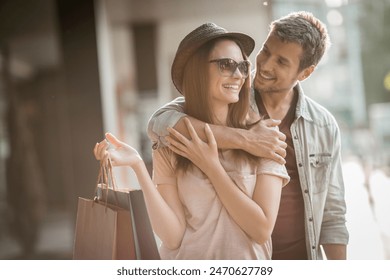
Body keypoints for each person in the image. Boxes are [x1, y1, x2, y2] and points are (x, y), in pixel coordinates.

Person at [147, 12, 349, 260]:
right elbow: (160, 122)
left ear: (305, 73)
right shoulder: (228, 101)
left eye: (282, 62)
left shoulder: (323, 126)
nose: (265, 65)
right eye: (265, 52)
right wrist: (246, 139)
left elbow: (333, 214)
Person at [94, 23, 290, 260]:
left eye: (243, 66)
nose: (238, 75)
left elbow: (261, 230)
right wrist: (138, 166)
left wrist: (212, 167)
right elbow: (173, 236)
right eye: (226, 65)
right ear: (197, 71)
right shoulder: (172, 142)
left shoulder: (264, 140)